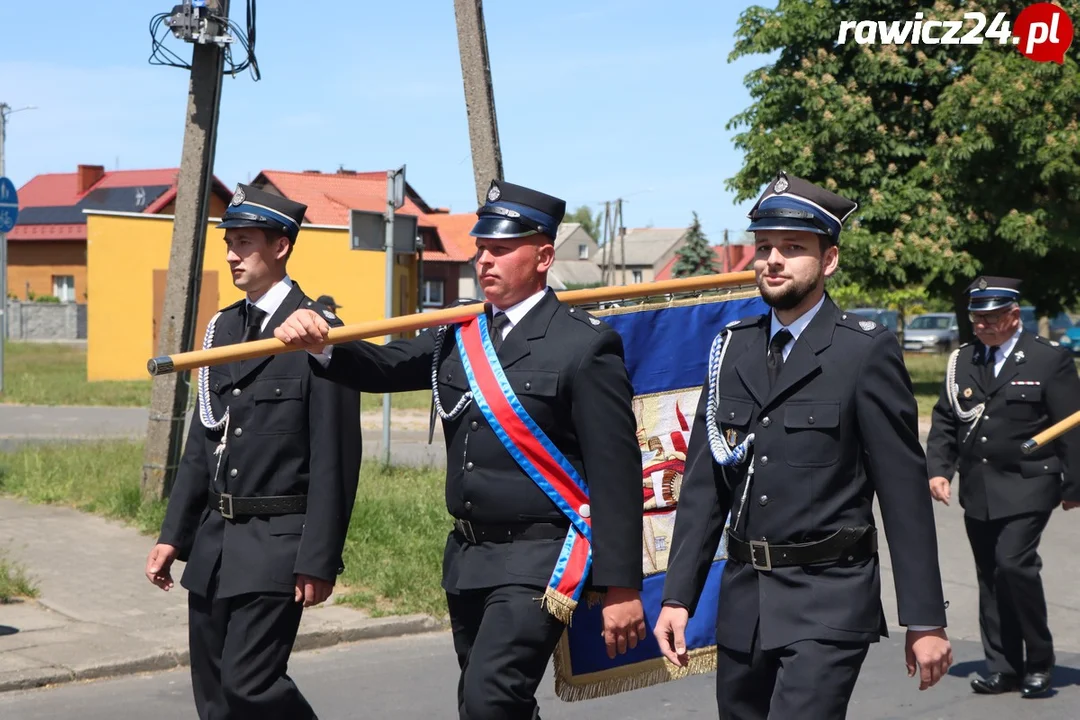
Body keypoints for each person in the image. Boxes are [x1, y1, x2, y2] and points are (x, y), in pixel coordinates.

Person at [274, 179, 646, 720]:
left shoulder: (584, 346)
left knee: (491, 697)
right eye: (481, 249)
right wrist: (325, 340)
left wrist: (621, 586)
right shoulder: (457, 331)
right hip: (469, 556)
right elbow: (383, 366)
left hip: (541, 557)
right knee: (483, 704)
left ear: (543, 256)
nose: (483, 261)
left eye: (500, 249)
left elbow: (616, 474)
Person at [653, 171, 953, 719]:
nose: (773, 259)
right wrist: (678, 597)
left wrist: (926, 618)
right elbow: (704, 489)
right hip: (745, 600)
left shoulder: (863, 353)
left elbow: (904, 494)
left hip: (828, 599)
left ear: (829, 260)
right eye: (764, 246)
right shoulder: (732, 351)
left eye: (793, 248)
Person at [144, 183, 362, 720]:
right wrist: (174, 535)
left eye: (243, 242)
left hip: (277, 546)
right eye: (229, 243)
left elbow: (336, 458)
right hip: (216, 544)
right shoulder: (224, 328)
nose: (231, 255)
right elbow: (204, 440)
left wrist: (320, 558)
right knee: (215, 697)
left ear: (281, 246)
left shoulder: (317, 332)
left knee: (253, 685)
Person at [926, 276, 1080, 698]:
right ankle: (1003, 666)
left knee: (1014, 564)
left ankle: (1039, 660)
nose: (983, 325)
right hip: (980, 485)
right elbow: (945, 419)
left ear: (1014, 316)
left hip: (1031, 481)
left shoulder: (1049, 359)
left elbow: (1072, 426)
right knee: (991, 576)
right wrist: (939, 469)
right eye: (977, 317)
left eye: (992, 318)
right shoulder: (963, 360)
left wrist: (1075, 485)